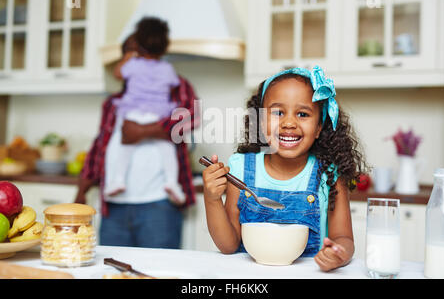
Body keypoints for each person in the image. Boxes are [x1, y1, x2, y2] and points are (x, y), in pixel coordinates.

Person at [202, 66, 369, 271]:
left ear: (318, 127)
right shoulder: (240, 166)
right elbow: (228, 245)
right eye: (278, 112)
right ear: (261, 121)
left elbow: (344, 238)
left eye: (302, 114)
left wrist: (339, 253)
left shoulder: (329, 174)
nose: (289, 123)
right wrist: (212, 199)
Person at [74, 29, 200, 249]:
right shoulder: (113, 103)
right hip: (113, 207)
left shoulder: (174, 89)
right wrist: (81, 191)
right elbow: (99, 147)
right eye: (133, 54)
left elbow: (191, 117)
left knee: (158, 272)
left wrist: (142, 131)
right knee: (111, 270)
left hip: (159, 205)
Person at [104, 17, 183, 205]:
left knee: (126, 146)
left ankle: (118, 180)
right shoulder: (167, 69)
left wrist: (128, 57)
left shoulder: (133, 65)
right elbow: (173, 85)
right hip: (157, 114)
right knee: (167, 149)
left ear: (139, 44)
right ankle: (172, 182)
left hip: (133, 112)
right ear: (164, 46)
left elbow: (117, 73)